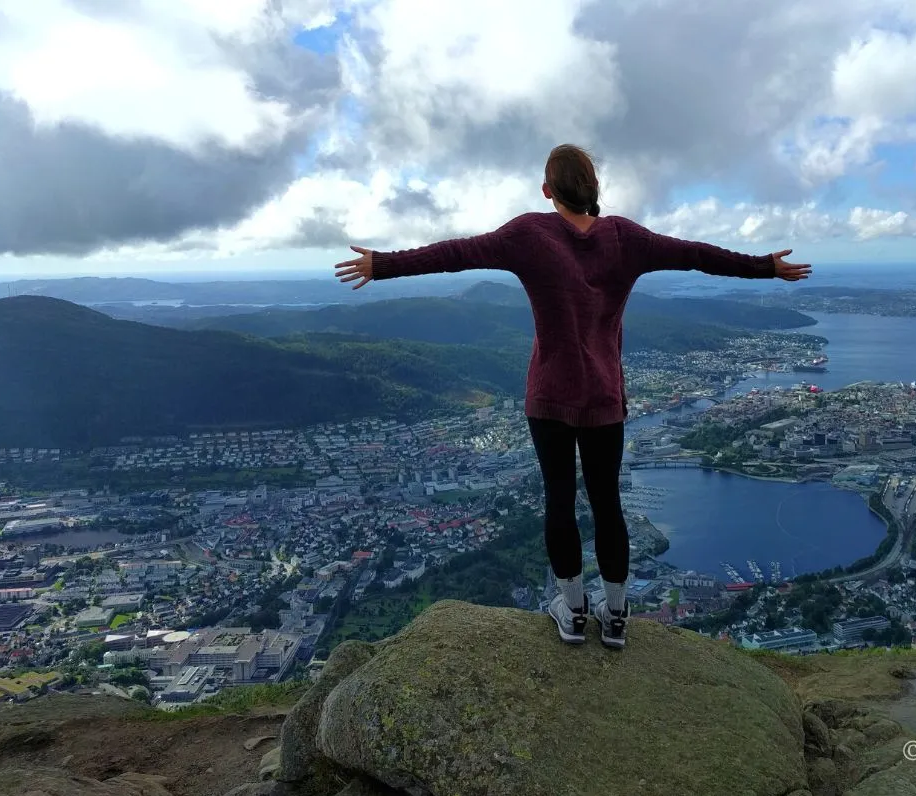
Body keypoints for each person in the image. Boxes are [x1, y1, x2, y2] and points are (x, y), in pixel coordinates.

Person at [334, 144, 811, 649]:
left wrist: (381, 264)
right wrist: (764, 267)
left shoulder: (529, 234)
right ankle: (619, 615)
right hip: (604, 396)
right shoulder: (626, 237)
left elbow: (456, 253)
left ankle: (574, 610)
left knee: (559, 500)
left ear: (547, 190)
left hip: (550, 397)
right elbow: (695, 254)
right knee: (608, 503)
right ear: (594, 189)